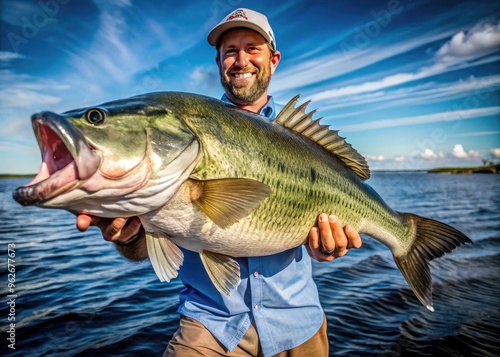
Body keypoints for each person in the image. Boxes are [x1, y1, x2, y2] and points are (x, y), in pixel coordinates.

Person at [76, 8, 362, 357]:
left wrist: (329, 245)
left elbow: (321, 237)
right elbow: (147, 245)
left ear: (274, 59)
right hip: (211, 326)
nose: (241, 60)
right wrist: (129, 235)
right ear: (218, 62)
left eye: (252, 48)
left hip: (299, 323)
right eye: (230, 51)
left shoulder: (301, 138)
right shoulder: (193, 126)